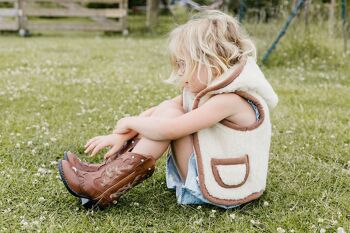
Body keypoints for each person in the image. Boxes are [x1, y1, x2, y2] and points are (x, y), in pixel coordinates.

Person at [58, 10, 278, 209]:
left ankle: (103, 186)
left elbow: (170, 129)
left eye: (183, 64)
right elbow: (162, 109)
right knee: (167, 108)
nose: (179, 73)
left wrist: (130, 121)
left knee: (169, 121)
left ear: (211, 61)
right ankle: (103, 176)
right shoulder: (209, 91)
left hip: (222, 187)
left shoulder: (229, 100)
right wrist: (120, 134)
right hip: (210, 174)